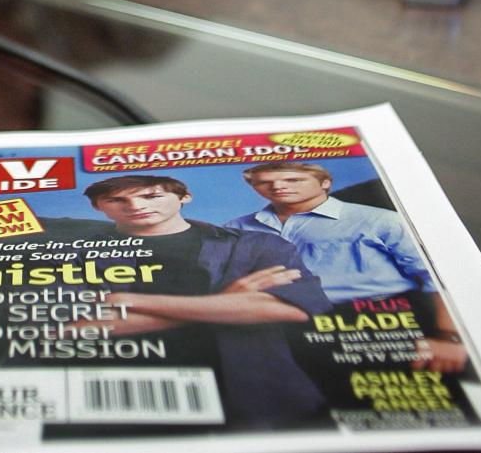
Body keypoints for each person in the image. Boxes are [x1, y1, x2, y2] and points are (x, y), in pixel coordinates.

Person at [78, 173, 332, 428]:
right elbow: (66, 327)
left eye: (152, 196)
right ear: (98, 207)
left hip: (266, 397)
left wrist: (123, 300)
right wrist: (226, 304)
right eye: (115, 200)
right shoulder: (76, 256)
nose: (136, 206)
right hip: (132, 399)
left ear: (184, 197)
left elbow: (292, 309)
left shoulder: (256, 244)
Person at [225, 161, 468, 373]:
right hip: (275, 325)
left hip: (375, 321)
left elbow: (434, 276)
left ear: (325, 183)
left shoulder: (380, 220)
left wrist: (448, 337)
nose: (278, 187)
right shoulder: (235, 227)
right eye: (264, 182)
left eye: (293, 179)